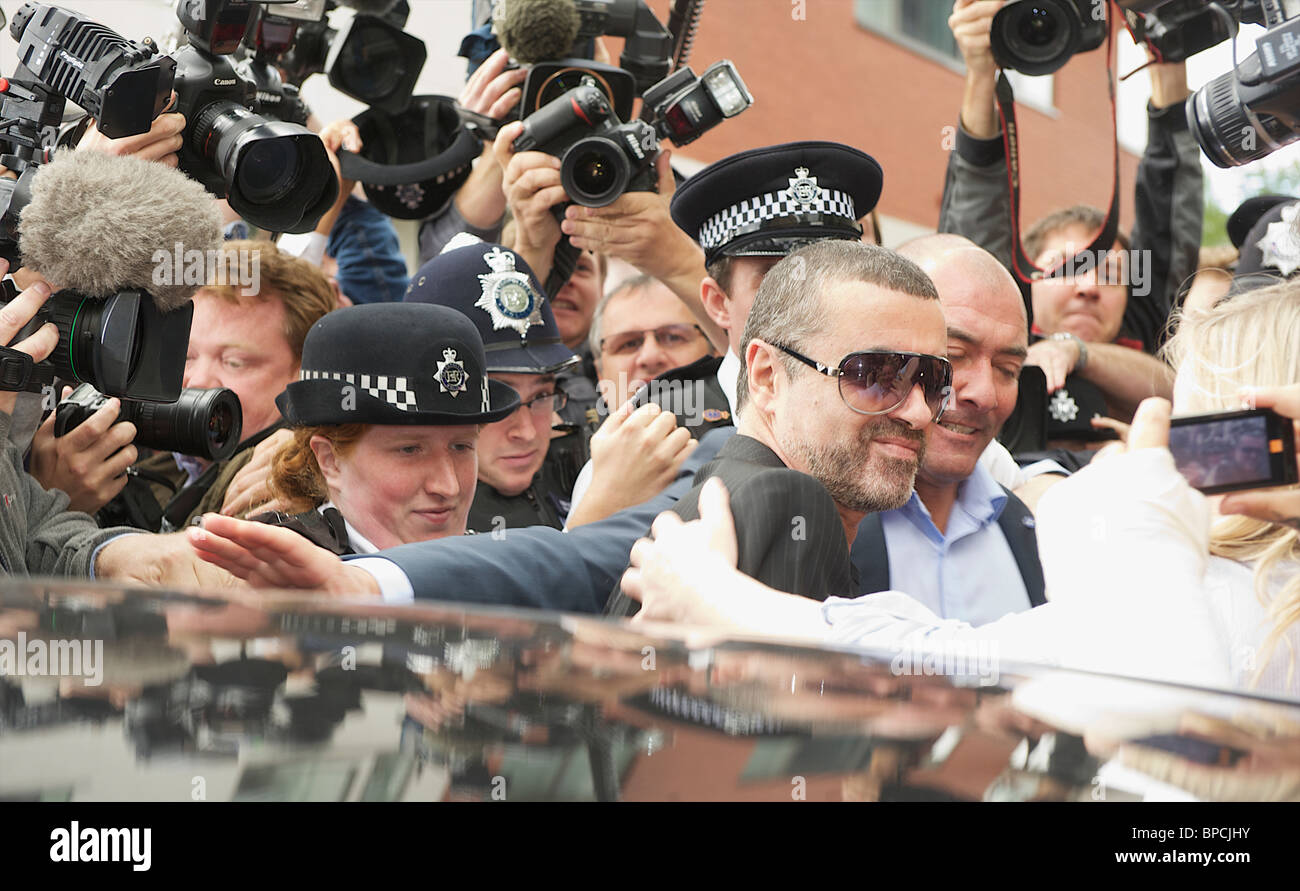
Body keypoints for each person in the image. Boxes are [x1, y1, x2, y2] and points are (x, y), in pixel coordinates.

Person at [622, 281, 1300, 697]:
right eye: (935, 367)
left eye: (1189, 407)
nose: (948, 399)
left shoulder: (1202, 590)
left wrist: (710, 595)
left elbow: (943, 663)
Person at [603, 239, 952, 615]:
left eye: (933, 380)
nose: (918, 412)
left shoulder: (732, 503)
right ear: (767, 377)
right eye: (874, 375)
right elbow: (793, 675)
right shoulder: (786, 501)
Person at [940, 0, 1189, 431]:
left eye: (1112, 273)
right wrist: (982, 71)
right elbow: (973, 217)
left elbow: (1171, 201)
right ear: (1027, 283)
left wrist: (1167, 36)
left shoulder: (1150, 322)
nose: (1090, 287)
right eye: (1068, 266)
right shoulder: (996, 331)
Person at [253, 302, 519, 553]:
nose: (448, 486)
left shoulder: (499, 566)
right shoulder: (278, 581)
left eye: (461, 446)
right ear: (330, 460)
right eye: (410, 449)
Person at [404, 242, 582, 532]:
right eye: (498, 399)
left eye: (541, 396)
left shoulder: (580, 466)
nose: (526, 432)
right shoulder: (411, 519)